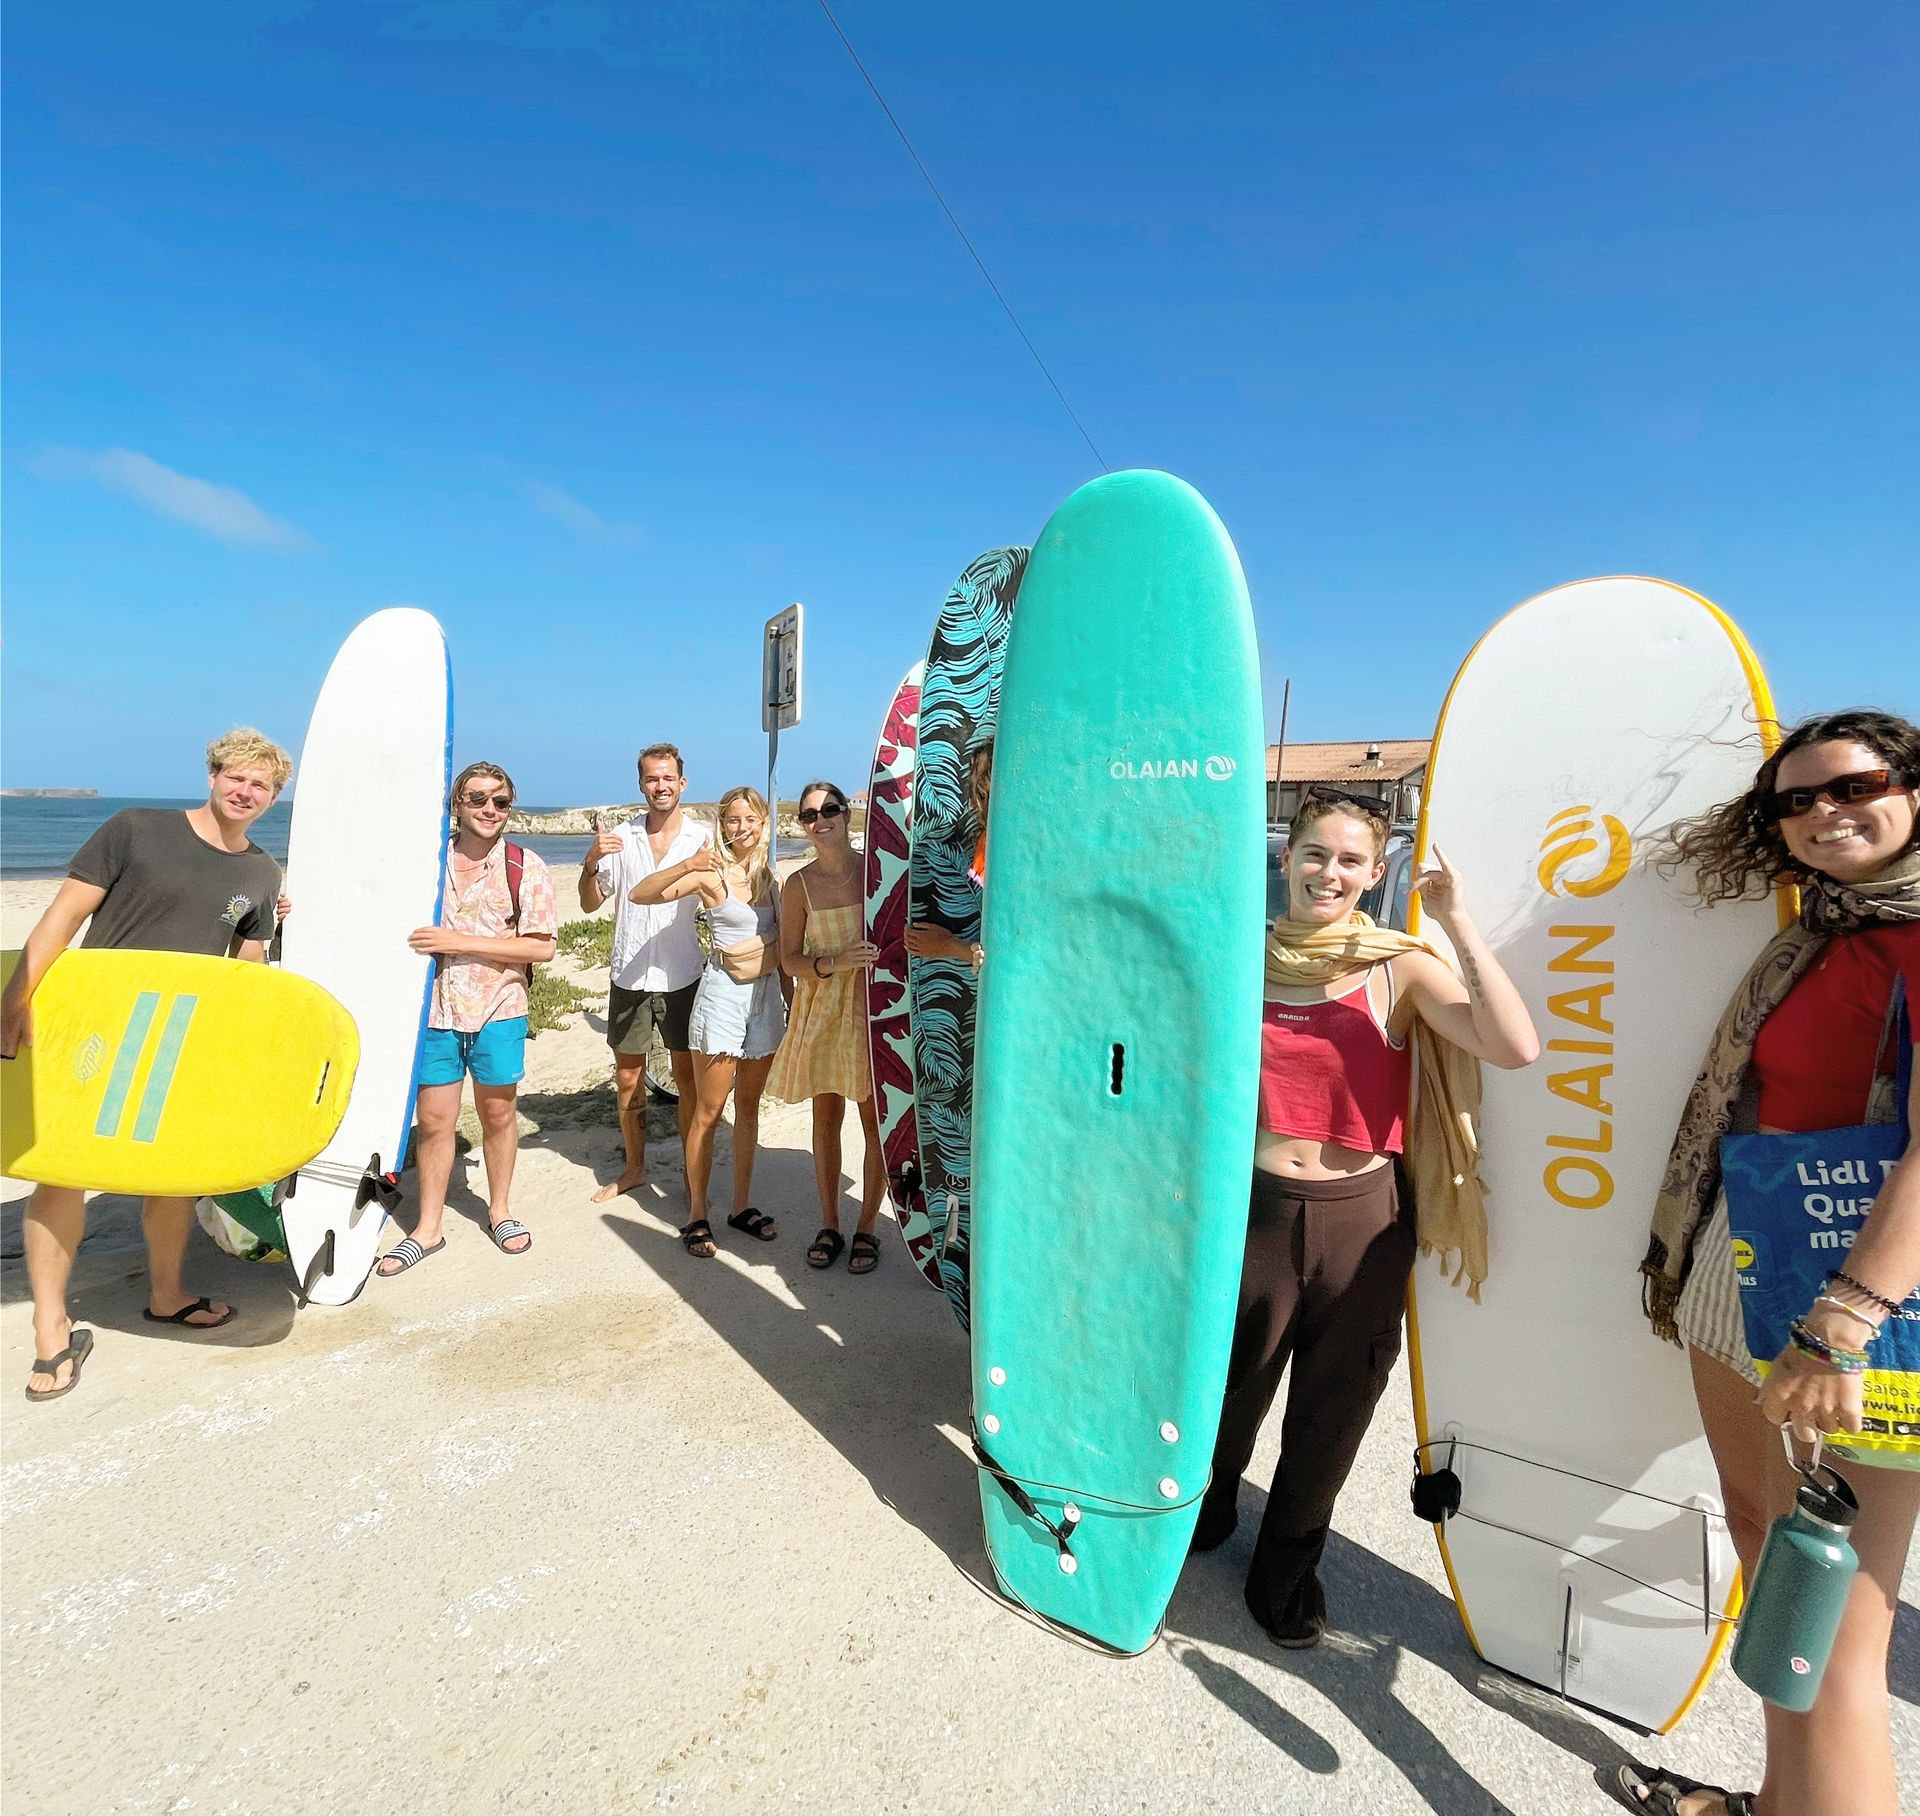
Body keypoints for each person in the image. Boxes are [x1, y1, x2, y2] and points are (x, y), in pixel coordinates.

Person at [1623, 711, 1920, 1816]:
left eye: (1852, 786)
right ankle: (1776, 1801)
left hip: (1864, 1303)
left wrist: (1840, 1322)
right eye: (1794, 801)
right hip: (1743, 1252)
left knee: (1839, 1628)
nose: (1822, 813)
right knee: (1768, 1550)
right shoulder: (1826, 929)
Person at [1193, 785, 1539, 1646]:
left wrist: (1455, 922)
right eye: (1316, 854)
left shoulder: (1399, 964)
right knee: (1225, 1389)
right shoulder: (1244, 953)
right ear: (1287, 858)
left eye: (1351, 860)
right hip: (1255, 1211)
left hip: (1363, 1221)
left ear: (1375, 872)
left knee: (1332, 1410)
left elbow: (1513, 1046)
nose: (1329, 872)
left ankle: (1285, 1572)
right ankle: (1202, 1512)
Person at [2, 729, 292, 1399]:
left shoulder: (260, 873)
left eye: (261, 786)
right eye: (235, 778)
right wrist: (17, 995)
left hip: (181, 1040)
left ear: (274, 798)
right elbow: (61, 916)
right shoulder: (135, 828)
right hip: (96, 1030)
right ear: (213, 775)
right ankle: (52, 1330)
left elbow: (243, 973)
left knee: (174, 1177)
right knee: (62, 1172)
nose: (244, 791)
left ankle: (167, 1294)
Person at [377, 762, 557, 1276]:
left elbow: (542, 948)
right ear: (457, 804)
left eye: (500, 801)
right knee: (434, 1121)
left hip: (500, 1008)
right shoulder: (425, 863)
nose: (489, 810)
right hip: (433, 1010)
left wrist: (460, 942)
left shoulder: (526, 866)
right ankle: (426, 1228)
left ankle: (499, 1211)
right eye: (477, 799)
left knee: (498, 1113)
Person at [631, 786, 788, 1258]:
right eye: (732, 820)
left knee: (750, 1109)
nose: (741, 828)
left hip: (764, 1003)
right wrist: (686, 865)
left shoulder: (772, 878)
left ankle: (740, 1207)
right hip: (722, 1001)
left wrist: (794, 1004)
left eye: (750, 819)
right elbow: (642, 894)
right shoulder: (710, 874)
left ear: (764, 823)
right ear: (723, 825)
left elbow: (784, 953)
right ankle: (696, 1213)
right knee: (708, 1111)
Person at [578, 744, 711, 1203]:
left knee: (686, 1078)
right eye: (652, 779)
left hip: (683, 975)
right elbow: (590, 902)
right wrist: (590, 862)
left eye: (668, 778)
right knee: (629, 1078)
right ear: (641, 784)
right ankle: (634, 1168)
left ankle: (694, 1172)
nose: (661, 786)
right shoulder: (621, 837)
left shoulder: (702, 838)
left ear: (682, 783)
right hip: (629, 976)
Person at [768, 780, 886, 1274]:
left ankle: (867, 1227)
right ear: (802, 825)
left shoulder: (876, 871)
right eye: (810, 815)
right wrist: (831, 963)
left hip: (875, 1008)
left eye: (830, 809)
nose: (821, 820)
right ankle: (830, 1223)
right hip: (824, 1007)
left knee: (875, 1122)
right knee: (826, 1119)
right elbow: (788, 959)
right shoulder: (798, 885)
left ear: (846, 814)